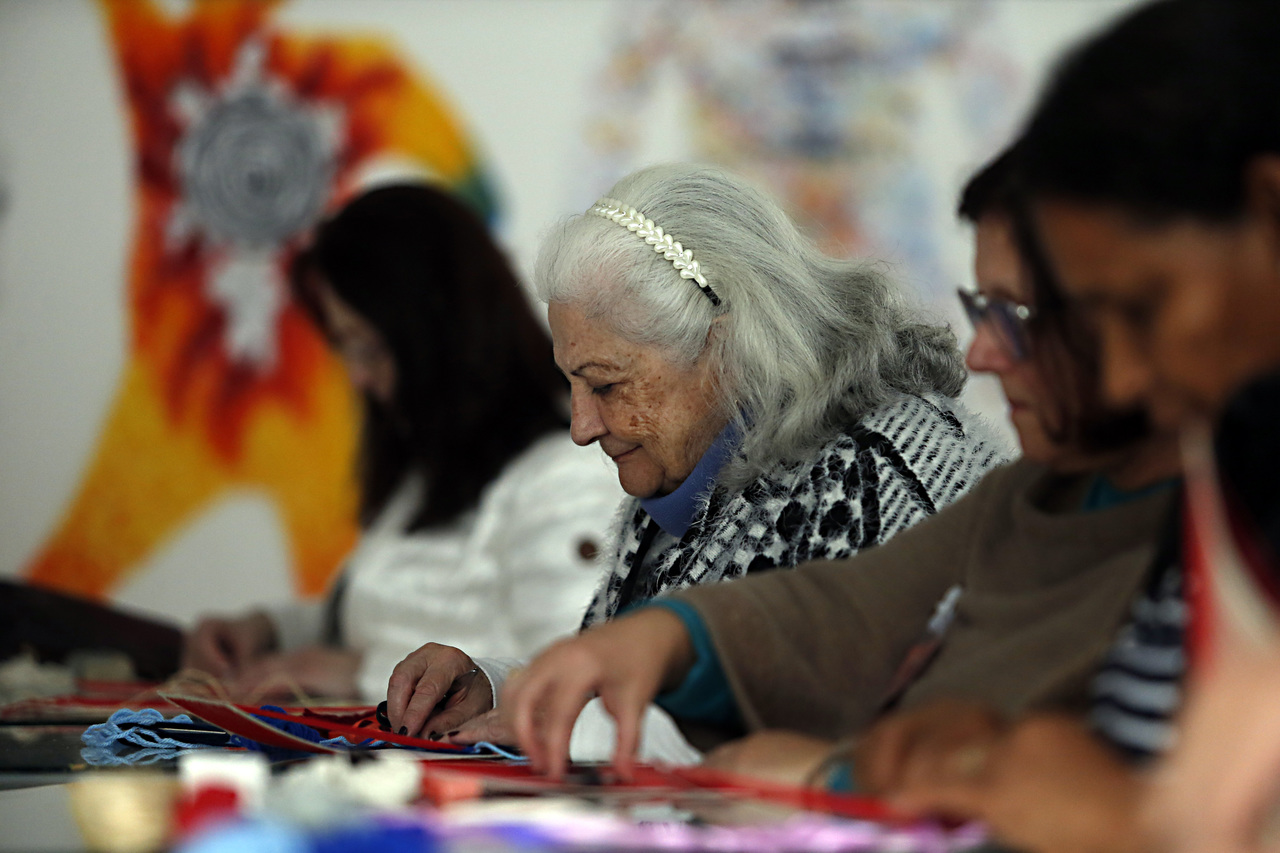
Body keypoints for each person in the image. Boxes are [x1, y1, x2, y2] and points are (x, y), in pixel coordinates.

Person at [495, 148, 1182, 798]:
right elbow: (848, 603)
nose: (981, 353)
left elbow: (1052, 770)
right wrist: (532, 680)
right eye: (982, 312)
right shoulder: (1033, 491)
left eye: (1016, 315)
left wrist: (835, 775)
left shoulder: (885, 470)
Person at [383, 163, 1006, 751]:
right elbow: (644, 686)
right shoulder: (685, 474)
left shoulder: (880, 472)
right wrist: (502, 687)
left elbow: (872, 743)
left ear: (728, 345)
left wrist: (577, 730)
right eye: (572, 384)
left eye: (605, 384)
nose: (581, 427)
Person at [1003, 2, 1280, 850]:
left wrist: (1125, 826)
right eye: (1094, 324)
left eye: (1144, 306)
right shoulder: (1240, 449)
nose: (1121, 378)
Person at [181, 183, 622, 703]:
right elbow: (383, 611)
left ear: (437, 334)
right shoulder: (434, 466)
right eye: (346, 349)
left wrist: (366, 677)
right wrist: (273, 630)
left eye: (367, 348)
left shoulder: (566, 474)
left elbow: (577, 674)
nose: (359, 379)